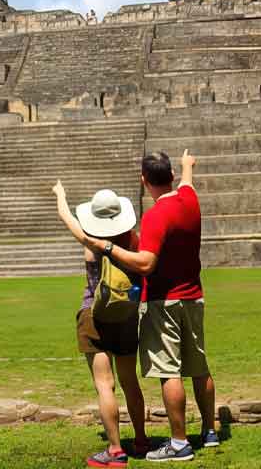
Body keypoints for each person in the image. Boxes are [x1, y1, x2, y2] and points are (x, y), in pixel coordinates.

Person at [64, 150, 217, 463]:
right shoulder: (190, 199)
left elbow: (146, 263)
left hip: (159, 302)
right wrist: (188, 165)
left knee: (165, 373)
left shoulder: (153, 218)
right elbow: (188, 182)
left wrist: (104, 245)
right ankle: (207, 432)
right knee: (197, 367)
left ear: (144, 180)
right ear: (172, 175)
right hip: (192, 297)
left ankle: (172, 443)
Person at [54, 184, 149, 468]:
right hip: (127, 316)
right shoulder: (133, 241)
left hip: (94, 316)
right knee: (129, 381)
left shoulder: (90, 240)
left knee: (104, 385)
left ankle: (116, 449)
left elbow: (66, 216)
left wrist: (60, 195)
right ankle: (142, 439)